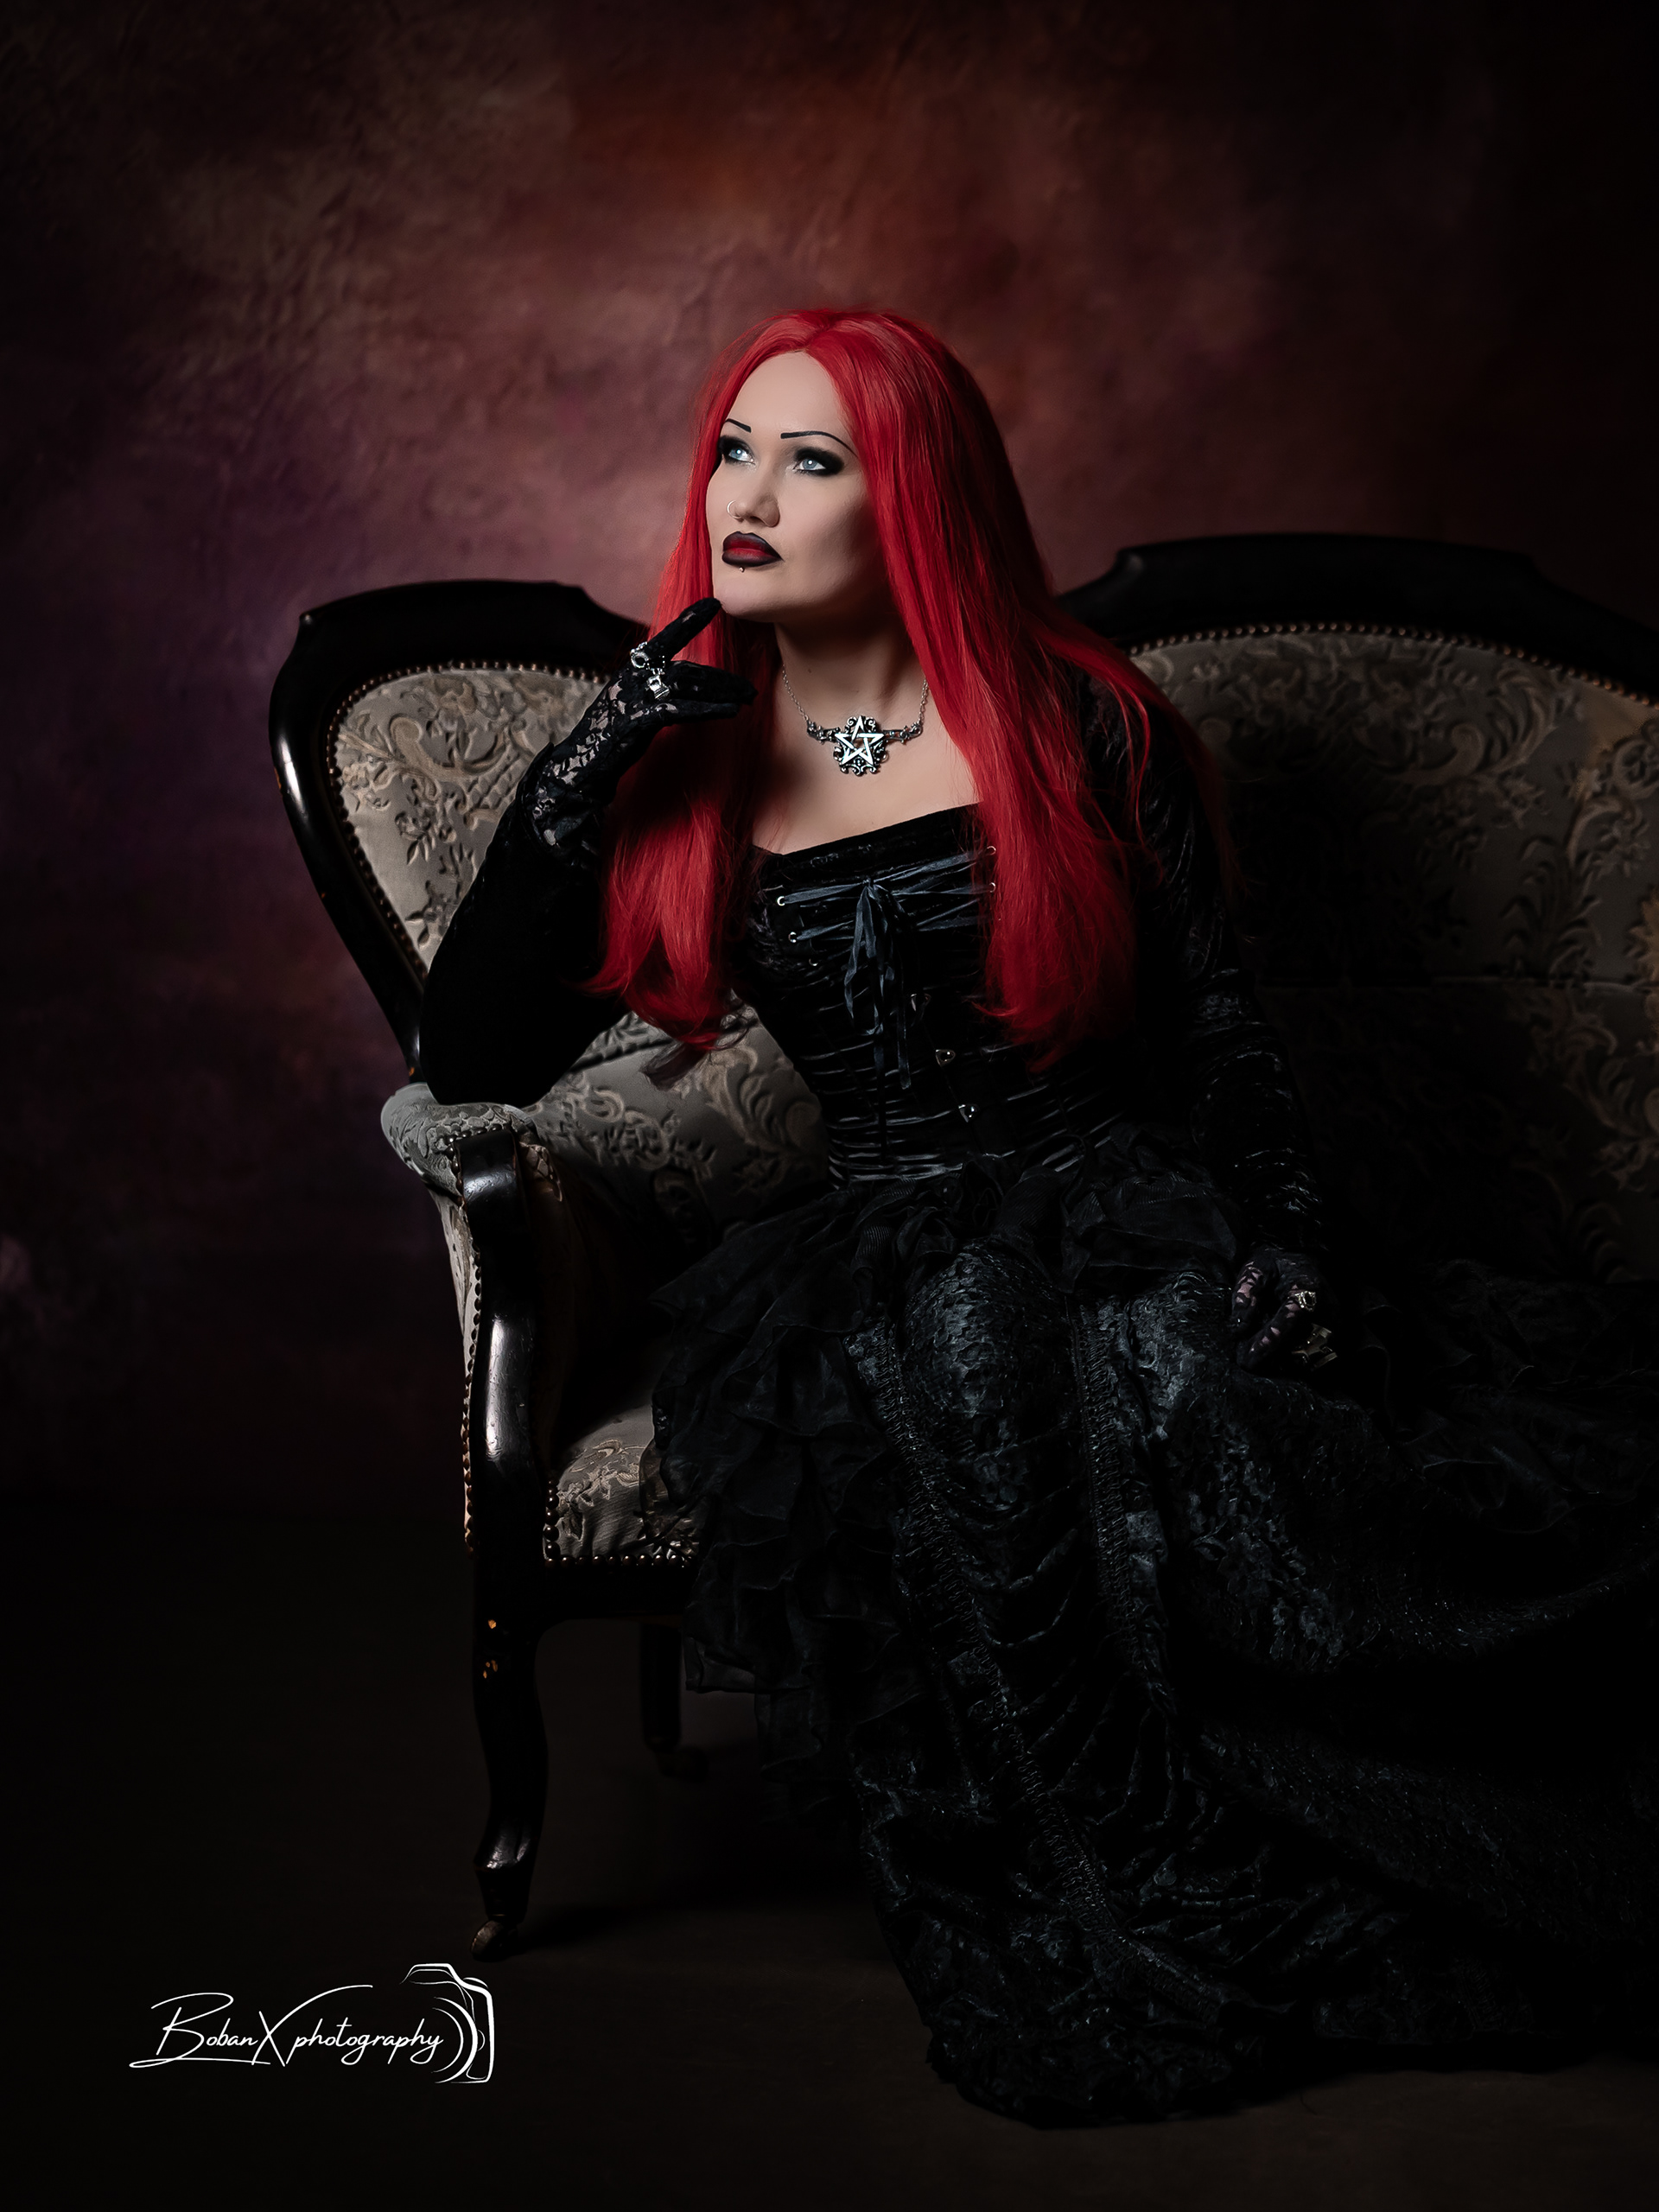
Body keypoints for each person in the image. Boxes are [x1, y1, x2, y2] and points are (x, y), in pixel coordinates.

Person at [421, 308, 1657, 2126]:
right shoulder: (683, 748)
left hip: (1111, 1202)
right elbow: (469, 1056)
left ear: (913, 498)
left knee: (1252, 1438)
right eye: (735, 451)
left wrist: (1286, 1234)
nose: (751, 495)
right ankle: (1114, 1886)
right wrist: (580, 771)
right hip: (875, 1248)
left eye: (813, 461)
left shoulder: (1079, 716)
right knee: (961, 1359)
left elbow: (1216, 1031)